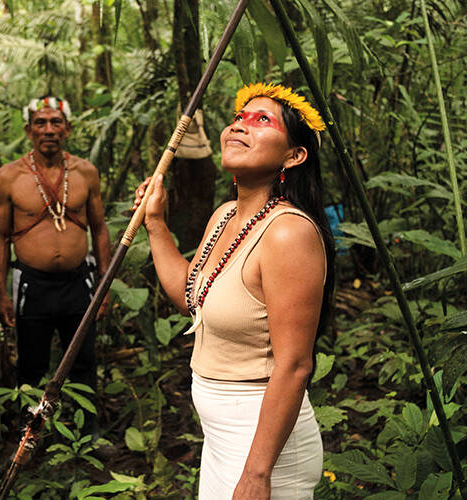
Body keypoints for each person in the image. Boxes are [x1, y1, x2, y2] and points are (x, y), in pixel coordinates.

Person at [132, 83, 335, 499]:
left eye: (262, 120)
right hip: (222, 437)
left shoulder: (288, 233)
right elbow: (194, 299)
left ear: (294, 156)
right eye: (240, 117)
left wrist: (258, 475)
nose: (240, 126)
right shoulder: (226, 215)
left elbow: (295, 364)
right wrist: (155, 223)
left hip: (262, 444)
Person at [0, 96, 111, 402]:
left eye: (55, 122)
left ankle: (88, 434)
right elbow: (1, 236)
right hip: (33, 285)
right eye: (40, 123)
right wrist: (2, 293)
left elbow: (99, 230)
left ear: (67, 129)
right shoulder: (9, 177)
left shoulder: (85, 172)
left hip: (78, 283)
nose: (48, 129)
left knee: (84, 362)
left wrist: (104, 284)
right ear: (28, 131)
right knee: (32, 365)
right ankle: (31, 439)